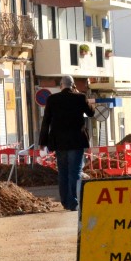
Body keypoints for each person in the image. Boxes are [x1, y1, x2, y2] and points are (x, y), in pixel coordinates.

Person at [39, 75, 96, 211]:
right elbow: (91, 112)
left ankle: (65, 201)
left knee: (63, 172)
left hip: (59, 142)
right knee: (75, 171)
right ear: (73, 85)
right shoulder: (80, 97)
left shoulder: (52, 99)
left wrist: (43, 141)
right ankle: (73, 202)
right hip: (76, 141)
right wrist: (83, 97)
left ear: (61, 85)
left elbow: (46, 121)